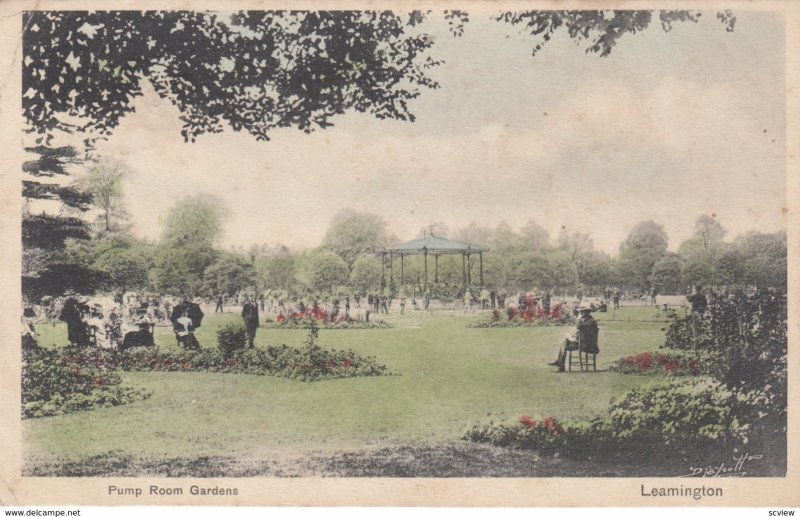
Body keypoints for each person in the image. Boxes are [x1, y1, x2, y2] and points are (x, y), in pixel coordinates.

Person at [548, 303, 599, 372]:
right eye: (580, 311)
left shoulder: (590, 321)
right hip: (584, 342)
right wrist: (574, 337)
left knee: (565, 342)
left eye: (582, 311)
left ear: (586, 312)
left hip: (587, 345)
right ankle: (560, 364)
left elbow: (579, 327)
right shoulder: (588, 320)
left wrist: (578, 318)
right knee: (565, 341)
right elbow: (581, 332)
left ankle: (561, 364)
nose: (580, 313)